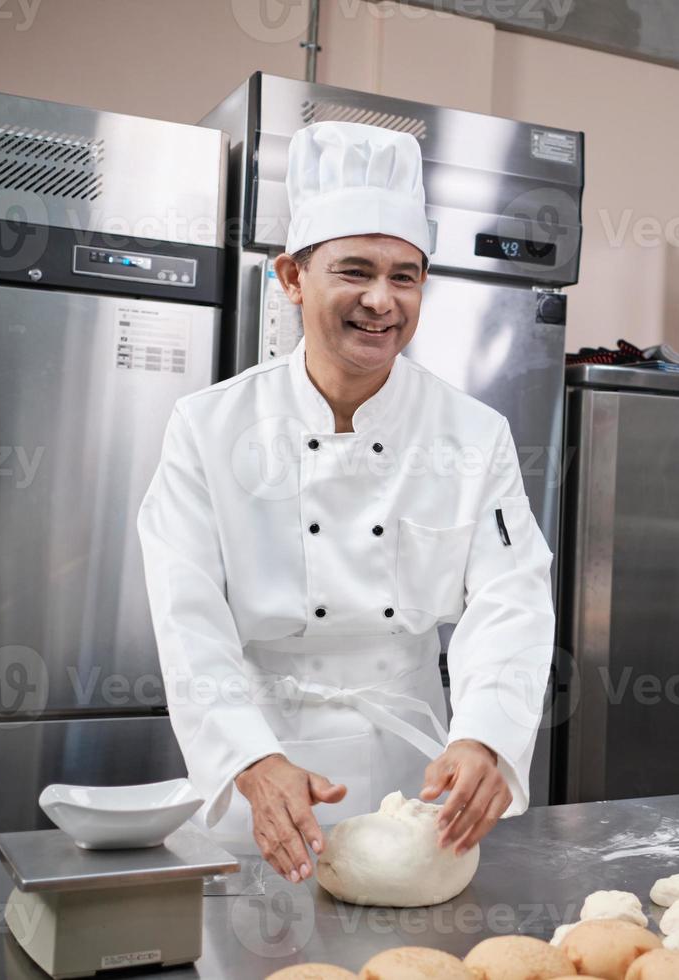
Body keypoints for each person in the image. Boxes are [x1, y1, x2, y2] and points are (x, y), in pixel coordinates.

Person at [138, 121, 555, 882]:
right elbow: (186, 614)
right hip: (259, 771)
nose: (381, 301)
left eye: (405, 276)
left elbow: (512, 601)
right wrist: (252, 759)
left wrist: (486, 736)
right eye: (355, 271)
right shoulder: (208, 428)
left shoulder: (473, 434)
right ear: (293, 279)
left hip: (418, 781)